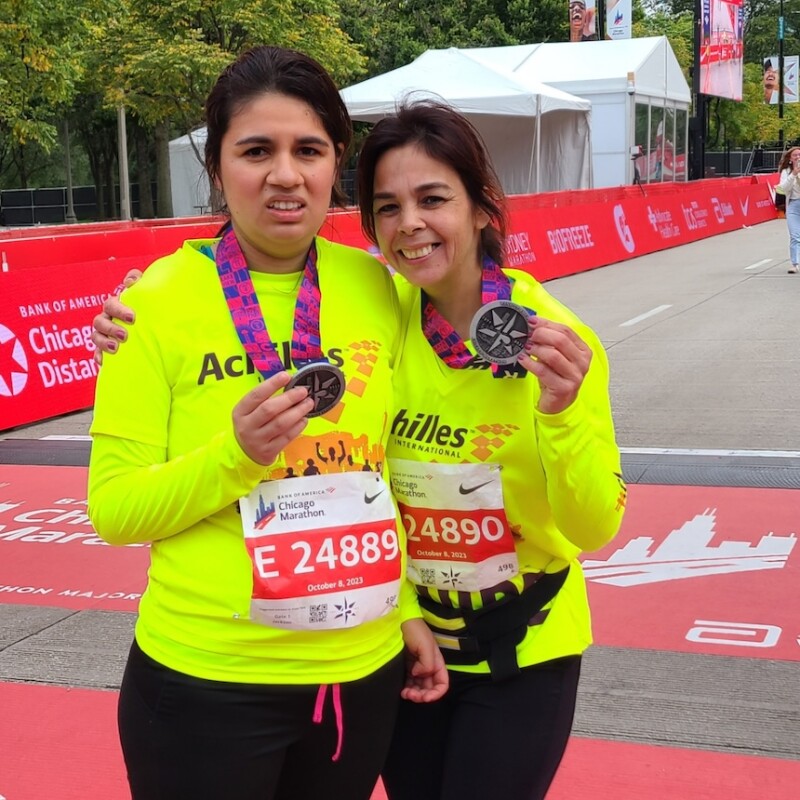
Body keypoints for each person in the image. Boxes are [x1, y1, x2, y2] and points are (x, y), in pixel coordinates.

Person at [93, 100, 625, 799]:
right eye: (388, 207)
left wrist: (557, 413)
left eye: (433, 199)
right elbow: (364, 481)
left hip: (513, 646)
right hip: (385, 649)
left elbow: (593, 529)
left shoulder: (550, 343)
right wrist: (139, 315)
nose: (411, 224)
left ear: (482, 208)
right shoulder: (389, 300)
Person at [87, 46, 446, 800]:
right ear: (218, 169)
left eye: (308, 150)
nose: (286, 175)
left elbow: (380, 469)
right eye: (257, 151)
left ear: (335, 164)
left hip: (360, 675)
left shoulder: (379, 285)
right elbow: (115, 511)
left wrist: (408, 608)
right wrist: (236, 455)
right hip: (208, 682)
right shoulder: (152, 304)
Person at [777, 146, 800, 273]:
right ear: (790, 159)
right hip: (793, 205)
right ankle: (795, 263)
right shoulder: (786, 172)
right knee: (795, 235)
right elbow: (783, 188)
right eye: (795, 155)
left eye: (799, 155)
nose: (798, 157)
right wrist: (794, 174)